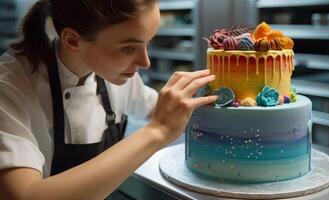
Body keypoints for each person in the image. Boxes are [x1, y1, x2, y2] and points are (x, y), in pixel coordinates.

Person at [0, 0, 217, 199]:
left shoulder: (113, 72)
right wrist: (156, 132)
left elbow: (156, 107)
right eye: (128, 48)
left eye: (148, 43)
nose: (145, 62)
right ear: (73, 40)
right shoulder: (9, 88)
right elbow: (26, 195)